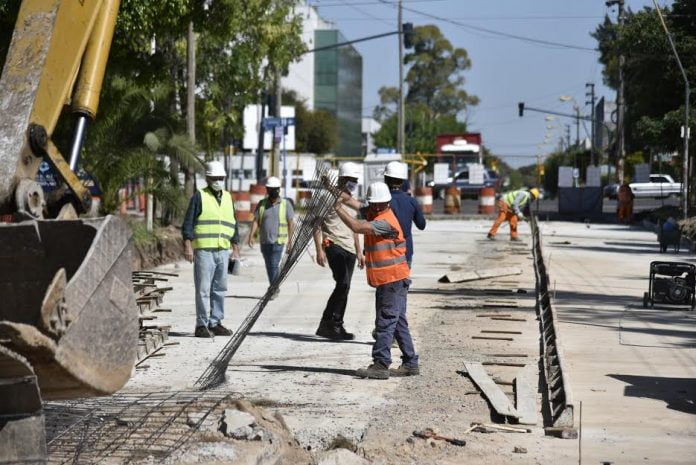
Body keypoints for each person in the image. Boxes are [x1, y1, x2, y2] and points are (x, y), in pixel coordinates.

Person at [334, 182, 419, 379]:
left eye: (376, 204)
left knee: (385, 321)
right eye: (371, 204)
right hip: (390, 280)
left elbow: (356, 226)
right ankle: (410, 362)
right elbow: (353, 203)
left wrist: (337, 208)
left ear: (384, 203)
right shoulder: (377, 211)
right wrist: (335, 193)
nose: (372, 207)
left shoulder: (385, 222)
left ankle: (381, 364)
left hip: (393, 280)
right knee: (398, 322)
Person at [182, 161, 239, 338]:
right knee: (203, 289)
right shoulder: (199, 196)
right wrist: (188, 246)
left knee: (220, 288)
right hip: (205, 251)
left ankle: (215, 322)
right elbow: (188, 223)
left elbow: (233, 223)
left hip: (223, 249)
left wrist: (235, 248)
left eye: (220, 178)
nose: (218, 181)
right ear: (207, 178)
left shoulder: (229, 197)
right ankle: (201, 325)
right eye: (215, 178)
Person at [313, 163, 365, 340]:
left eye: (356, 180)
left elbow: (355, 228)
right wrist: (319, 249)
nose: (354, 183)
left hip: (350, 248)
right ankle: (329, 322)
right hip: (332, 244)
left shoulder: (351, 199)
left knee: (345, 287)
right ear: (342, 179)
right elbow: (317, 225)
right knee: (342, 283)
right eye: (351, 180)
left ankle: (334, 324)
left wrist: (359, 252)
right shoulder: (326, 198)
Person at [247, 176, 295, 297]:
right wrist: (251, 236)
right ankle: (275, 286)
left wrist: (290, 241)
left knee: (273, 264)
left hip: (278, 241)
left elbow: (291, 223)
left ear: (279, 189)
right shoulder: (262, 204)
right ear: (267, 190)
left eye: (275, 188)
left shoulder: (286, 204)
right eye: (270, 188)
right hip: (264, 241)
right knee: (270, 266)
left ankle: (273, 289)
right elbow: (256, 221)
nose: (273, 191)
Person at [383, 161, 426, 268]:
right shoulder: (411, 201)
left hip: (386, 252)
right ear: (402, 181)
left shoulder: (382, 202)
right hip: (405, 251)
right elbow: (422, 225)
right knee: (403, 283)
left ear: (386, 180)